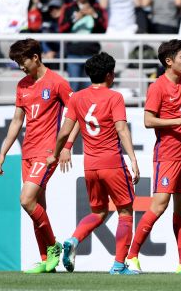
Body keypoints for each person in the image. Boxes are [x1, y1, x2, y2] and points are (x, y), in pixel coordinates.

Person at [47, 52, 140, 275]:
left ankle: (73, 239)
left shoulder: (77, 98)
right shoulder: (114, 97)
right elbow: (121, 129)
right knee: (125, 212)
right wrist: (133, 159)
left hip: (90, 166)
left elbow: (64, 132)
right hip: (112, 163)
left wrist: (57, 152)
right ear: (109, 74)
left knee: (98, 212)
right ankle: (119, 265)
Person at [0, 39, 74, 274]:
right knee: (37, 207)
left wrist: (67, 146)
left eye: (22, 61)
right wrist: (3, 151)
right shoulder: (22, 85)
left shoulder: (57, 83)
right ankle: (46, 261)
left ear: (36, 58)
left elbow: (76, 113)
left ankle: (53, 247)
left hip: (47, 152)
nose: (20, 66)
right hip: (27, 152)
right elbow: (17, 121)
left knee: (26, 200)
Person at [126, 40, 181, 273]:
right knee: (160, 205)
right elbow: (148, 121)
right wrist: (179, 121)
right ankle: (132, 256)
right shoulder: (158, 86)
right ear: (169, 61)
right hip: (167, 154)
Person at [58, 0, 106, 91]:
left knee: (91, 89)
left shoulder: (96, 8)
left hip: (91, 54)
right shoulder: (68, 8)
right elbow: (61, 28)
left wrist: (94, 15)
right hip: (73, 53)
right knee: (73, 88)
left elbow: (104, 28)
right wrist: (76, 18)